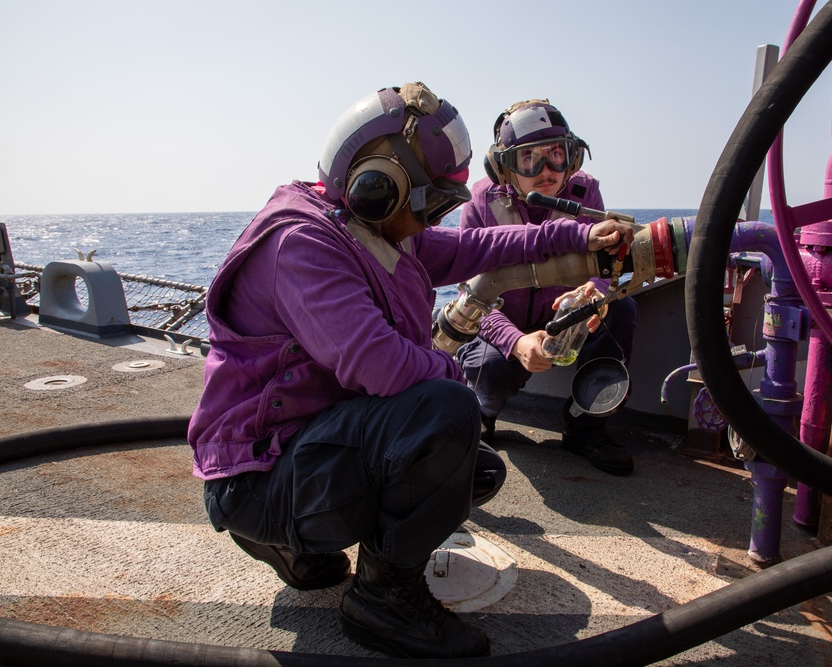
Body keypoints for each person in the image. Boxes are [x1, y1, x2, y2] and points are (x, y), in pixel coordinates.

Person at [186, 82, 633, 659]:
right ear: (379, 187)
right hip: (256, 476)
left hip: (303, 448)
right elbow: (380, 365)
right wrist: (454, 381)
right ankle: (383, 601)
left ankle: (298, 548)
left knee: (473, 471)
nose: (432, 221)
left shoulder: (370, 227)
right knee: (447, 414)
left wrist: (578, 234)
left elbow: (484, 247)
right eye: (429, 204)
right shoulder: (303, 245)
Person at [456, 99, 639, 476]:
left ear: (572, 158)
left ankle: (585, 425)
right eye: (529, 160)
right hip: (501, 325)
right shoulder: (480, 205)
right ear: (504, 166)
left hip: (562, 316)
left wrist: (593, 292)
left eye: (556, 154)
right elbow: (469, 296)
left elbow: (603, 267)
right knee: (489, 369)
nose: (545, 171)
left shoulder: (586, 194)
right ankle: (483, 414)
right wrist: (516, 342)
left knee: (622, 310)